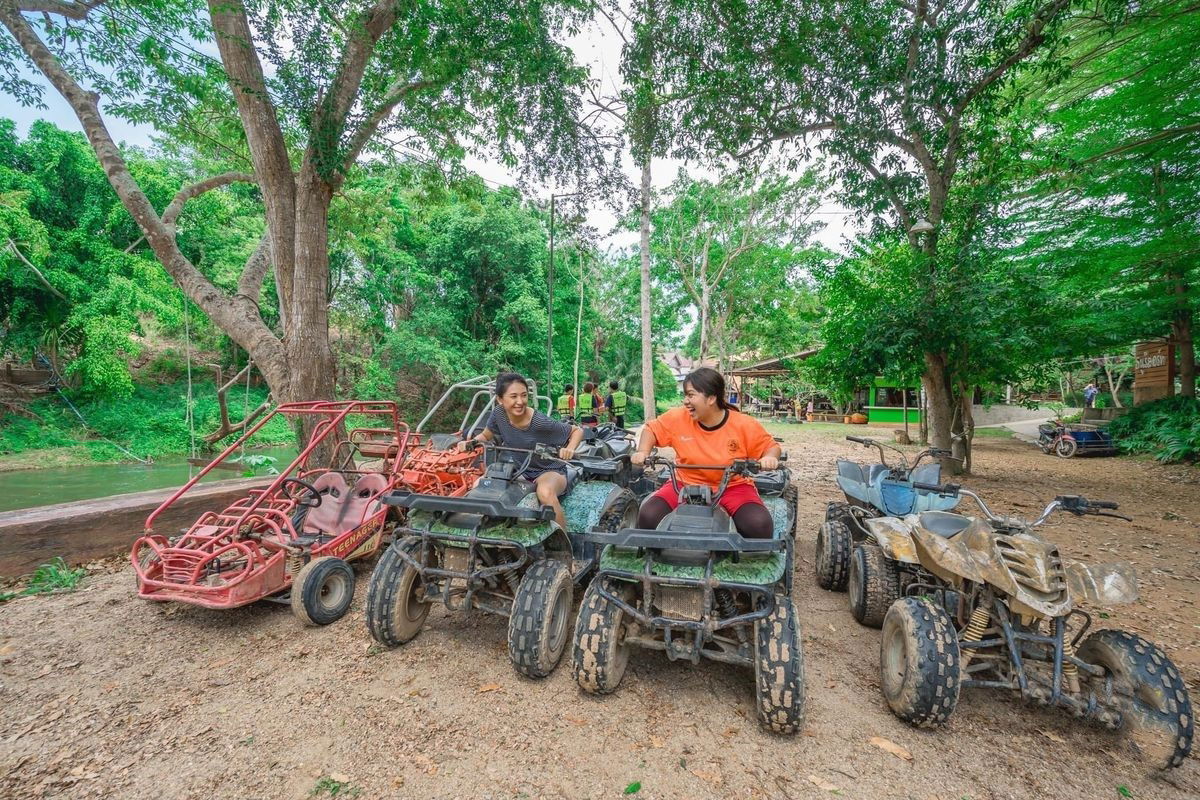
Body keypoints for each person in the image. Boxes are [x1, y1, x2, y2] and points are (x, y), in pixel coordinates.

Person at [630, 367, 781, 539]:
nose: (685, 401)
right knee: (648, 515)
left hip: (733, 487)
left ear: (711, 398)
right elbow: (651, 430)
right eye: (685, 395)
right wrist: (643, 452)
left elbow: (771, 446)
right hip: (684, 484)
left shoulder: (743, 424)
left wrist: (769, 458)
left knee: (759, 525)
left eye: (691, 395)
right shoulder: (678, 417)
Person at [458, 372, 583, 529]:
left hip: (548, 470)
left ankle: (564, 538)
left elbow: (576, 431)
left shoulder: (539, 422)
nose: (520, 401)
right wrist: (471, 443)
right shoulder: (498, 414)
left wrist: (569, 449)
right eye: (513, 396)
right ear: (500, 399)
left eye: (524, 395)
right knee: (479, 484)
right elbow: (486, 435)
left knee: (545, 492)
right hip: (521, 469)